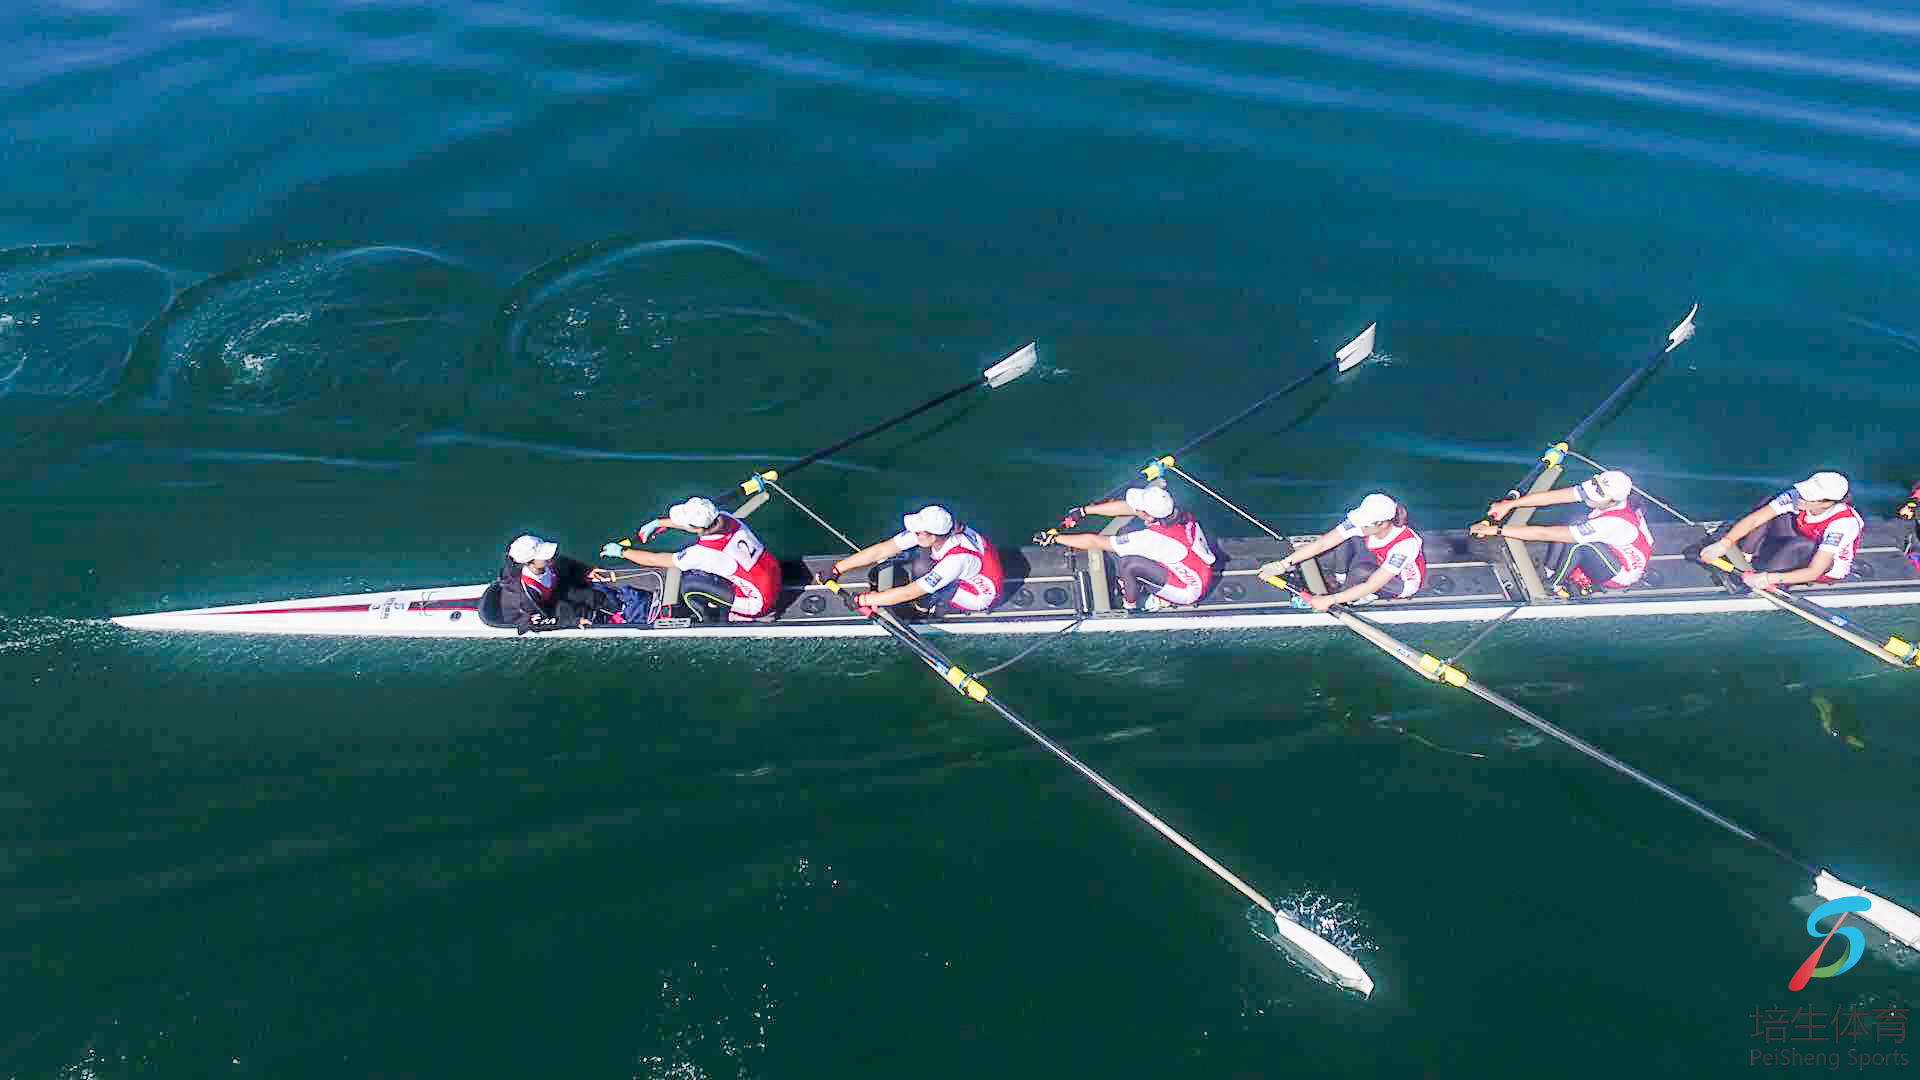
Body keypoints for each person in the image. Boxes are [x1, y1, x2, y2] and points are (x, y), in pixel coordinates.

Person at [1471, 470, 1652, 599]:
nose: (1590, 495)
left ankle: (1553, 585)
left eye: (1596, 495)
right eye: (1593, 487)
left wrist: (1497, 530)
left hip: (1622, 574)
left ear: (1613, 501)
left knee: (1580, 544)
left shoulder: (1613, 523)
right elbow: (1553, 497)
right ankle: (1550, 570)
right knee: (1574, 521)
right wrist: (1510, 504)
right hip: (1613, 551)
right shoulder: (1601, 489)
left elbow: (1544, 534)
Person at [603, 497, 782, 622]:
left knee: (688, 586)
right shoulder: (728, 518)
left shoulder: (702, 553)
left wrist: (622, 552)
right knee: (699, 573)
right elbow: (694, 525)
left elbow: (654, 560)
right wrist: (659, 523)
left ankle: (711, 622)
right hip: (773, 575)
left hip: (758, 603)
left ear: (696, 528)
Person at [1040, 486, 1216, 611]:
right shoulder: (1180, 513)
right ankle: (1140, 586)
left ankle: (1131, 606)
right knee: (1125, 532)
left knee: (1129, 564)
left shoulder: (1151, 539)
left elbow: (1095, 542)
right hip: (1198, 569)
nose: (1134, 508)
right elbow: (1128, 508)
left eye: (1139, 508)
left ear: (1148, 515)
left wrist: (1055, 538)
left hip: (1187, 590)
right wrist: (1084, 511)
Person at [819, 504, 1004, 617]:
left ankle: (926, 607)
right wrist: (836, 569)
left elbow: (909, 592)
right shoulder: (940, 531)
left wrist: (863, 599)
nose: (915, 532)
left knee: (922, 574)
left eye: (919, 531)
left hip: (977, 594)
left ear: (933, 536)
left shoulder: (956, 560)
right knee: (919, 563)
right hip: (975, 564)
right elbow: (883, 549)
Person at [1258, 493, 1425, 612]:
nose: (1359, 526)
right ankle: (1341, 581)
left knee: (1361, 572)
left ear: (1382, 523)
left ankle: (1350, 600)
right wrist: (1284, 563)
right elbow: (1322, 543)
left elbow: (1372, 584)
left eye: (1364, 524)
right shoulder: (1368, 524)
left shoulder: (1405, 546)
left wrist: (1330, 600)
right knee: (1341, 543)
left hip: (1401, 584)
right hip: (1380, 561)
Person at [1698, 471, 1863, 590]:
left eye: (1808, 496)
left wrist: (1770, 578)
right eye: (1803, 491)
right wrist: (1724, 543)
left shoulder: (1842, 524)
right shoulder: (1799, 497)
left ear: (1827, 503)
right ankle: (1745, 559)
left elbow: (1815, 571)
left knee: (1802, 544)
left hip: (1824, 566)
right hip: (1805, 540)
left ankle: (1768, 580)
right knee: (1769, 506)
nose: (1800, 497)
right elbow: (1756, 519)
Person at [497, 534, 626, 632]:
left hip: (553, 593)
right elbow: (529, 623)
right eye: (544, 555)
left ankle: (619, 609)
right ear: (528, 562)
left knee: (589, 595)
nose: (551, 556)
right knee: (567, 609)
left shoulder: (548, 562)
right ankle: (601, 619)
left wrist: (586, 571)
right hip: (536, 613)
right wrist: (572, 622)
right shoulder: (522, 596)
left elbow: (565, 563)